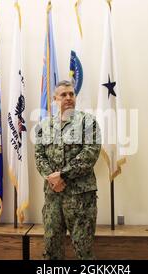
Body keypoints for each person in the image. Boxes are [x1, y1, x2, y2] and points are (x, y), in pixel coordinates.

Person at [35, 80, 101, 260]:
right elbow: (39, 157)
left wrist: (63, 175)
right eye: (63, 95)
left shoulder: (88, 123)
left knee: (84, 251)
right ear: (55, 99)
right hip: (53, 198)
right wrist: (52, 178)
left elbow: (90, 153)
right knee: (51, 249)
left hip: (80, 199)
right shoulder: (43, 126)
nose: (68, 98)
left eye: (71, 94)